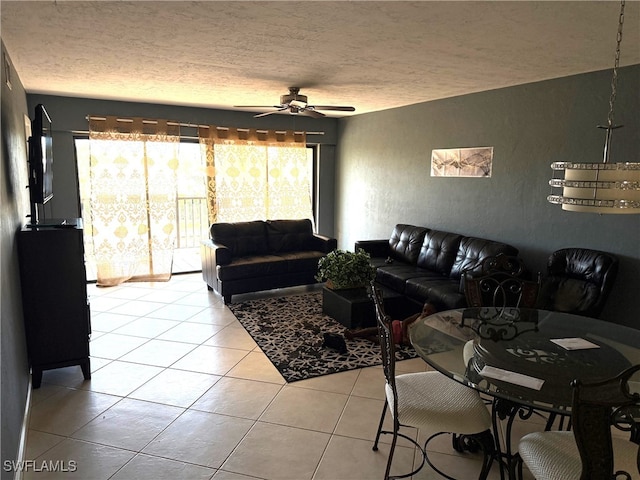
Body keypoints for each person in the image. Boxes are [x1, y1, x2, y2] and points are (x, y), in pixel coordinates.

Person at [344, 302, 438, 346]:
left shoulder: (431, 327)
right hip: (399, 327)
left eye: (429, 312)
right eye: (424, 310)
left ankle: (361, 333)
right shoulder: (418, 316)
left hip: (400, 338)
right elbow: (405, 322)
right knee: (377, 329)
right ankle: (354, 334)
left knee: (382, 341)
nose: (425, 313)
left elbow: (422, 341)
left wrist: (408, 342)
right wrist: (405, 336)